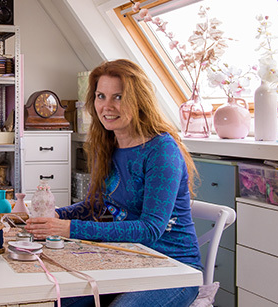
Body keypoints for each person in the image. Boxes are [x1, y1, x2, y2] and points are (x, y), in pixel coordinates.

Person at [24, 59, 201, 307]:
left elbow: (150, 230)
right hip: (126, 259)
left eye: (118, 97)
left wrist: (66, 228)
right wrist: (53, 215)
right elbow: (96, 206)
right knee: (52, 301)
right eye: (101, 96)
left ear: (138, 100)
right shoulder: (108, 144)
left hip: (172, 267)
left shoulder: (161, 150)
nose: (107, 106)